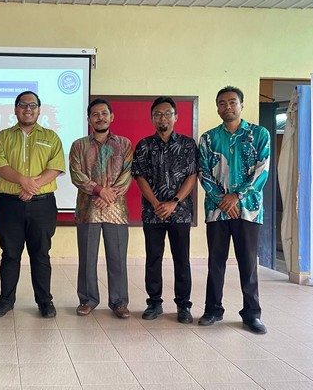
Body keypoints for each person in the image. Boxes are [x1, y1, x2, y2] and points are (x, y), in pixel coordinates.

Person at [198, 86, 270, 334]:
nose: (227, 106)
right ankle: (212, 310)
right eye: (222, 103)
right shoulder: (208, 139)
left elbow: (262, 170)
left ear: (241, 105)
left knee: (248, 264)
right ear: (217, 108)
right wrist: (223, 200)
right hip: (216, 210)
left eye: (232, 102)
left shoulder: (259, 134)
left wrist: (236, 197)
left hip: (248, 210)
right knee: (215, 263)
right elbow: (203, 173)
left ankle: (252, 314)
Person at [0, 91, 65, 318]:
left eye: (33, 105)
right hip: (9, 205)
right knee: (10, 254)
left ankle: (45, 302)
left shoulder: (51, 137)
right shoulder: (3, 136)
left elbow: (56, 167)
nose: (28, 109)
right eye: (23, 105)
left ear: (39, 110)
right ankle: (5, 301)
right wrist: (23, 180)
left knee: (41, 255)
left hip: (43, 205)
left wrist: (32, 186)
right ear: (15, 109)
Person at [132, 97, 198, 324]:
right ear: (152, 118)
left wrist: (174, 202)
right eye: (158, 114)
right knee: (153, 259)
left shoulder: (188, 144)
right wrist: (155, 203)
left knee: (182, 260)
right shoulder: (144, 145)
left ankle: (183, 305)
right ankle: (154, 303)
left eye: (167, 113)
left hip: (180, 212)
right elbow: (139, 176)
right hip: (153, 214)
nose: (163, 118)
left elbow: (192, 176)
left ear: (175, 117)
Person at [69, 98, 133, 318]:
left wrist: (108, 194)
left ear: (111, 117)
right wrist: (99, 190)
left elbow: (127, 173)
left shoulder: (124, 144)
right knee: (87, 260)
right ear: (89, 119)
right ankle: (87, 300)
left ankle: (119, 302)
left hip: (116, 210)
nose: (100, 118)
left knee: (118, 259)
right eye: (95, 114)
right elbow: (77, 175)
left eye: (104, 113)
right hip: (88, 210)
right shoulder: (79, 145)